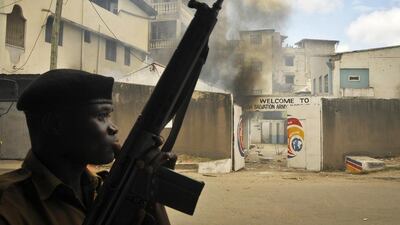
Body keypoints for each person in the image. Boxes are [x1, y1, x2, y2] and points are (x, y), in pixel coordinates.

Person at [0, 69, 175, 225]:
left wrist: (148, 191)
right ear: (56, 124)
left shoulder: (105, 189)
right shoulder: (9, 206)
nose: (114, 127)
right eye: (101, 116)